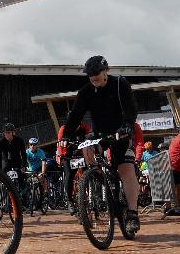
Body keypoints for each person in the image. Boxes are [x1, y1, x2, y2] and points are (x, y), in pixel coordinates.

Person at [60, 55, 141, 235]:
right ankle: (97, 178)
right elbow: (75, 115)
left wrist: (128, 124)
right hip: (100, 135)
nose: (93, 77)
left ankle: (133, 214)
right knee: (86, 148)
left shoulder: (120, 84)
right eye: (90, 75)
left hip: (121, 132)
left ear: (106, 71)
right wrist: (66, 135)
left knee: (126, 169)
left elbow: (131, 107)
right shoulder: (86, 92)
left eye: (97, 73)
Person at [0, 123, 28, 189]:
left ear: (13, 133)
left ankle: (24, 193)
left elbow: (23, 154)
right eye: (5, 133)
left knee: (21, 178)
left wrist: (23, 165)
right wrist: (0, 169)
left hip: (17, 160)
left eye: (8, 132)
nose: (6, 134)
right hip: (6, 161)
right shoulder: (1, 142)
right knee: (3, 177)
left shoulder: (19, 140)